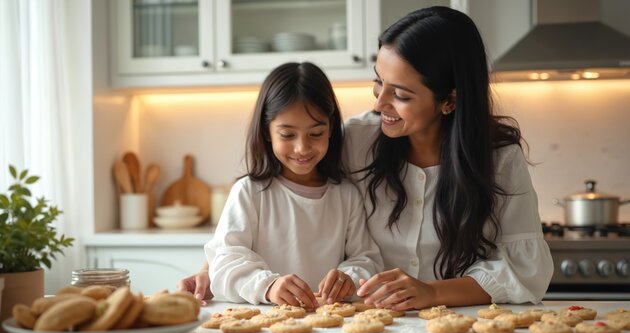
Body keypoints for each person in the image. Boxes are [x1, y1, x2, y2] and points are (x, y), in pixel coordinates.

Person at [178, 6, 553, 310]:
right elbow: (284, 189)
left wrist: (433, 292)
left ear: (449, 99)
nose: (379, 103)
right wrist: (215, 269)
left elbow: (526, 270)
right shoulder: (358, 139)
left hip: (464, 329)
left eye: (401, 94)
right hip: (373, 330)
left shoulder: (498, 160)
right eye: (378, 81)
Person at [203, 62, 383, 308]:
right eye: (287, 135)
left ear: (330, 129)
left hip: (330, 329)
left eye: (316, 134)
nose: (302, 148)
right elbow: (225, 262)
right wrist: (268, 286)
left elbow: (366, 258)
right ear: (267, 132)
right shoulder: (250, 192)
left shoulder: (346, 195)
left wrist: (349, 278)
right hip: (264, 326)